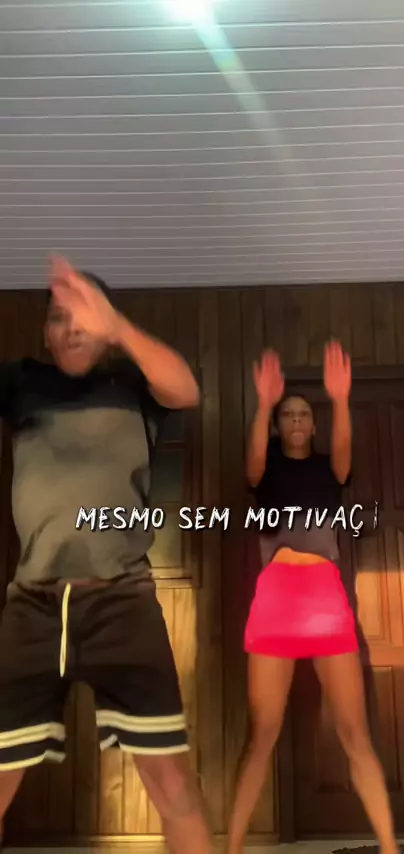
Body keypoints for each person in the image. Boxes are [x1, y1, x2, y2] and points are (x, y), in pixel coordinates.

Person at [0, 256, 213, 854]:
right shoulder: (22, 383)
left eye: (84, 317)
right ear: (45, 333)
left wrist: (118, 327)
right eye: (57, 317)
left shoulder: (134, 385)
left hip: (122, 602)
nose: (69, 328)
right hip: (31, 609)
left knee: (174, 785)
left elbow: (187, 390)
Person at [226, 343, 398, 854]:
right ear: (278, 427)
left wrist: (340, 399)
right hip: (276, 601)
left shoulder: (329, 470)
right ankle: (230, 849)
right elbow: (251, 464)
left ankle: (390, 848)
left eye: (304, 413)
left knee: (355, 734)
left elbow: (344, 456)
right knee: (262, 735)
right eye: (288, 415)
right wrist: (263, 404)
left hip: (325, 601)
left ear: (314, 425)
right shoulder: (265, 473)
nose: (297, 419)